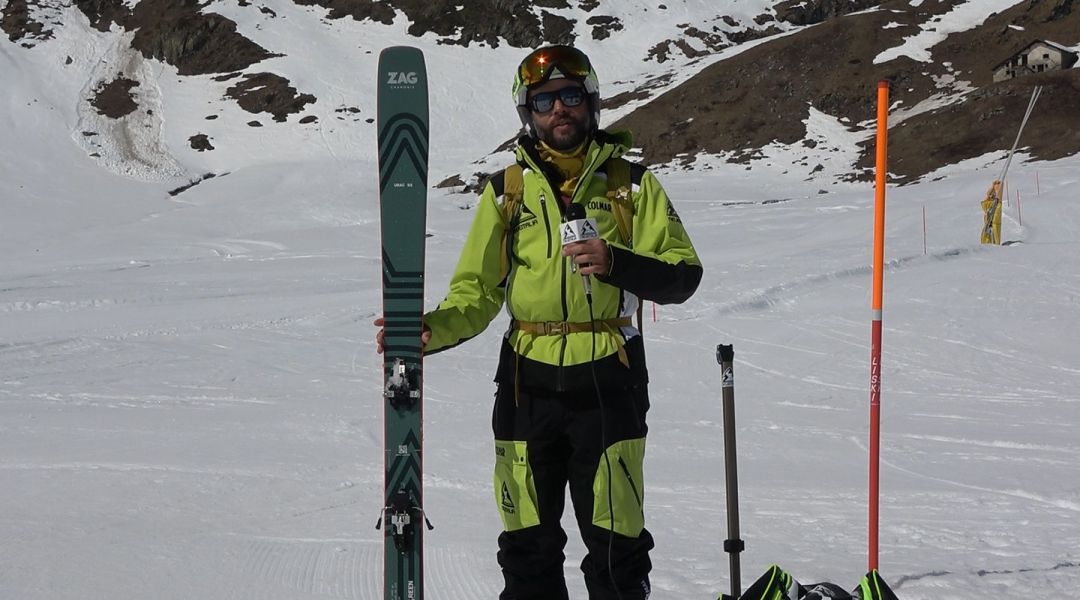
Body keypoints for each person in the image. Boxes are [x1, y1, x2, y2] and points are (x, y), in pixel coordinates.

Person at [376, 45, 702, 600]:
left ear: (591, 103)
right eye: (545, 100)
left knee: (615, 547)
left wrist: (616, 261)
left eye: (571, 96)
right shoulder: (508, 191)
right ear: (528, 112)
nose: (560, 110)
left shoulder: (632, 185)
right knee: (527, 546)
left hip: (608, 382)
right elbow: (476, 291)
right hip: (527, 386)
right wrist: (436, 329)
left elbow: (682, 274)